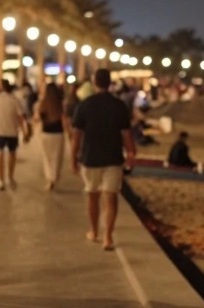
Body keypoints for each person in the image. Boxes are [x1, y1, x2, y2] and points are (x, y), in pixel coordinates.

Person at [70, 68, 137, 250]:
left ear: (94, 82)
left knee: (92, 196)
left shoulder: (84, 105)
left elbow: (76, 136)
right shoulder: (119, 105)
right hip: (114, 157)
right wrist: (131, 154)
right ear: (110, 83)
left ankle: (94, 231)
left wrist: (73, 158)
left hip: (90, 157)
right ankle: (108, 237)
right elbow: (126, 134)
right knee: (111, 197)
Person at [0, 78, 30, 190]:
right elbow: (21, 118)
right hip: (12, 131)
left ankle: (1, 180)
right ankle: (10, 177)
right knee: (12, 154)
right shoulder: (14, 99)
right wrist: (25, 132)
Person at [37, 83, 66, 191]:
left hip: (46, 133)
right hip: (58, 133)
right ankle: (54, 177)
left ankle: (49, 179)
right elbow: (64, 119)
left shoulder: (43, 103)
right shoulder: (59, 103)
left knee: (47, 157)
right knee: (57, 157)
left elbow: (38, 117)